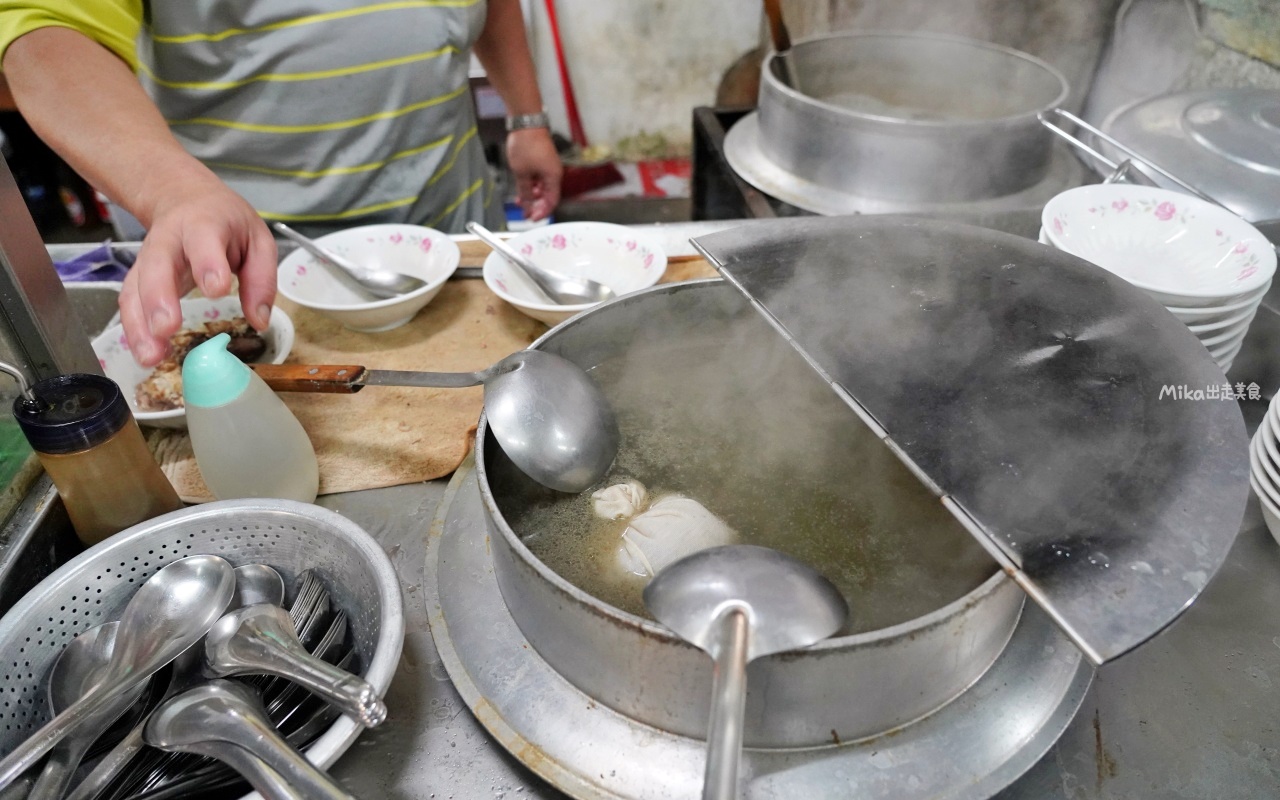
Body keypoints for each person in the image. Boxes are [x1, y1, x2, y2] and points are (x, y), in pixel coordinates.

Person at [0, 0, 562, 367]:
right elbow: (48, 27)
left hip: (453, 221)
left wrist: (527, 118)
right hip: (255, 272)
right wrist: (174, 190)